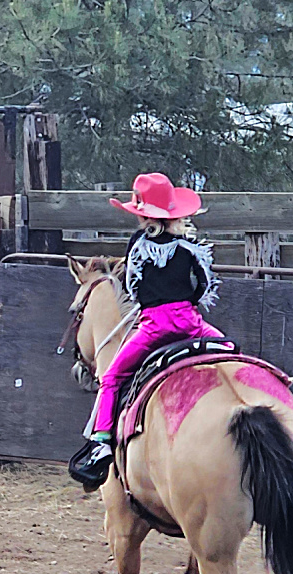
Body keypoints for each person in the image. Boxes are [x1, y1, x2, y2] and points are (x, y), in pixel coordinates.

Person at [70, 172, 225, 488]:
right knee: (229, 350)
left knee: (112, 377)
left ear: (141, 214)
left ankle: (101, 441)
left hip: (154, 326)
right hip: (191, 322)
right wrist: (189, 304)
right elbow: (205, 284)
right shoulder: (190, 246)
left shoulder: (138, 246)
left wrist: (152, 303)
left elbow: (131, 286)